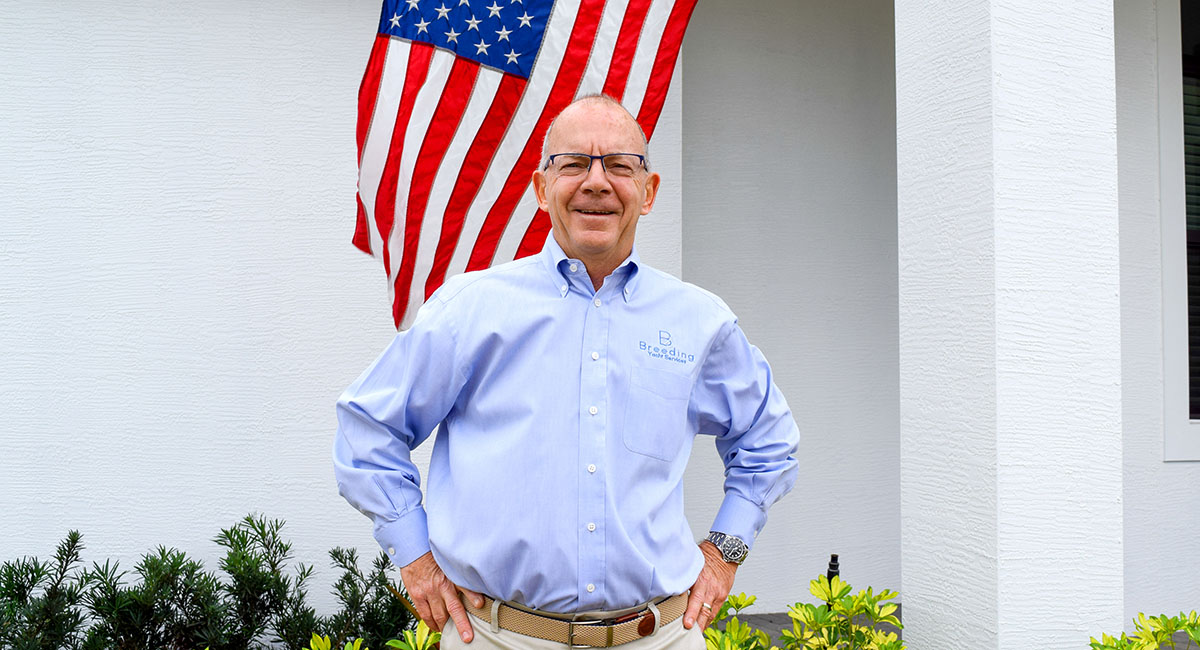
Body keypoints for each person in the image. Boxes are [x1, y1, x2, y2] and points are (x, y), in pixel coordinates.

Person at [334, 95, 799, 649]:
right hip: (501, 639)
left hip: (660, 638)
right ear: (541, 187)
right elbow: (369, 427)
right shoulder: (470, 310)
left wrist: (725, 553)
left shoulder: (700, 322)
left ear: (649, 191)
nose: (596, 182)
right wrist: (415, 557)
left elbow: (768, 441)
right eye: (574, 163)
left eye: (620, 165)